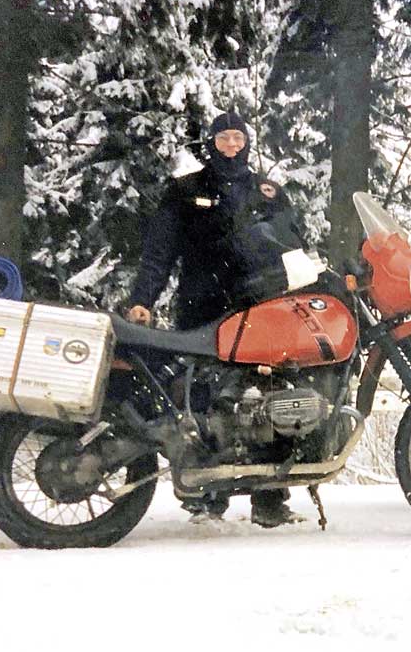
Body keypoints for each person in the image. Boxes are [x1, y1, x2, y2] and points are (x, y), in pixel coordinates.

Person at [124, 110, 304, 528]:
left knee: (266, 395)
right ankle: (206, 498)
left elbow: (294, 248)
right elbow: (159, 253)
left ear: (248, 142)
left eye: (238, 138)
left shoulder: (269, 192)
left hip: (261, 310)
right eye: (223, 138)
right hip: (201, 307)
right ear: (211, 142)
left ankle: (270, 498)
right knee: (198, 398)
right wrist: (143, 300)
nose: (231, 146)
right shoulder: (185, 191)